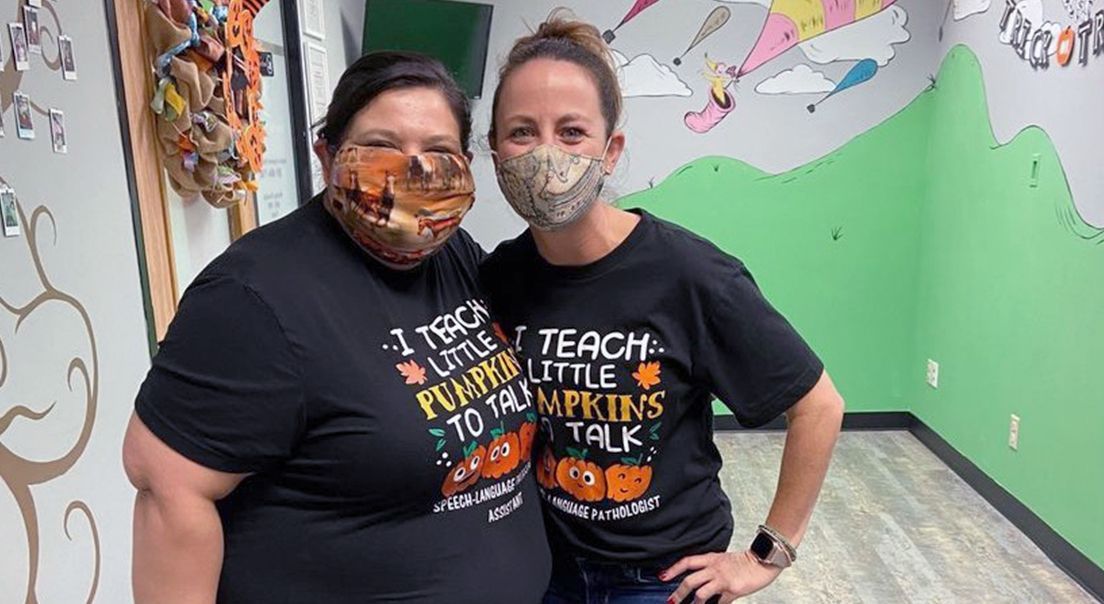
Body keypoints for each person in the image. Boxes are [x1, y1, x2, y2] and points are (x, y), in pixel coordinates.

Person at [123, 51, 550, 603]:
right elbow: (166, 487)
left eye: (438, 151)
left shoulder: (453, 256)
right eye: (381, 145)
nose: (414, 169)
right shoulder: (253, 297)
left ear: (465, 164)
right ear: (327, 155)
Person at [480, 13, 845, 604]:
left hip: (663, 582)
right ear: (494, 152)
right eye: (522, 132)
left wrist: (765, 556)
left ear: (610, 149)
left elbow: (819, 406)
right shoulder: (498, 278)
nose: (545, 154)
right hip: (545, 569)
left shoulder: (691, 275)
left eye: (572, 132)